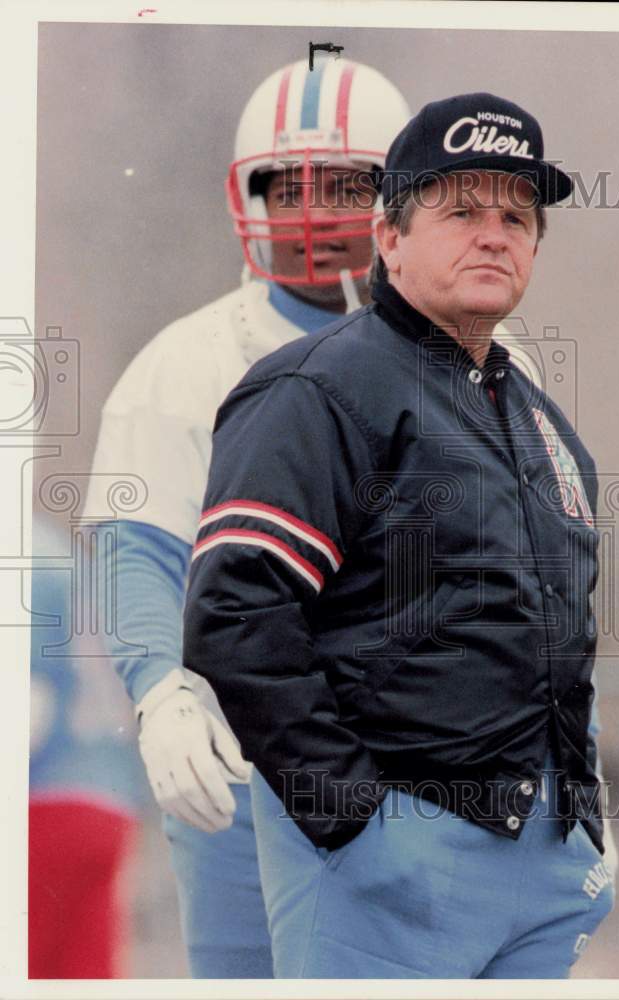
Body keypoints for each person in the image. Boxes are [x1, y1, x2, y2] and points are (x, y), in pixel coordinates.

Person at [183, 92, 617, 979]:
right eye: (459, 210)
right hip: (387, 854)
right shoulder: (316, 388)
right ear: (388, 236)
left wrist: (584, 828)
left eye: (516, 215)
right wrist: (353, 818)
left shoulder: (541, 422)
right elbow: (235, 614)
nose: (494, 234)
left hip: (540, 866)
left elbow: (560, 636)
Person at [84, 56, 411, 978]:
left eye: (348, 183)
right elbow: (135, 546)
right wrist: (160, 689)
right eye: (288, 182)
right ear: (247, 194)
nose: (314, 209)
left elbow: (547, 580)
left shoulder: (478, 355)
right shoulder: (185, 363)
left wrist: (567, 781)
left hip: (435, 765)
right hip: (253, 758)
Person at [29, 516, 145, 978]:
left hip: (45, 800)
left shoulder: (23, 557)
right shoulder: (66, 555)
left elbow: (29, 701)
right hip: (110, 797)